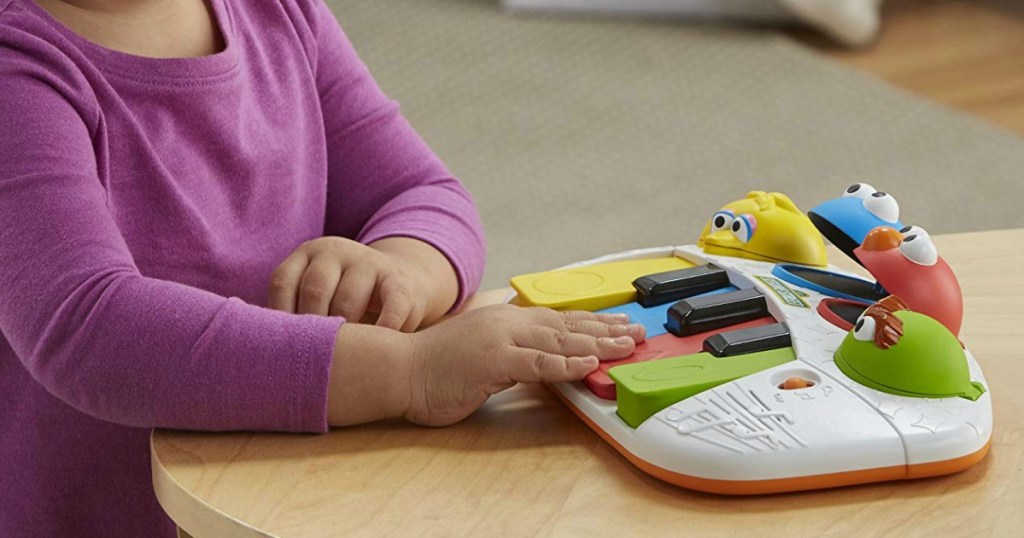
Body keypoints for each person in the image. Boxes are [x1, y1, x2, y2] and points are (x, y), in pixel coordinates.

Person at [0, 0, 647, 535]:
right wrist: (410, 373)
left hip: (289, 495)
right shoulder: (17, 66)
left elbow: (421, 192)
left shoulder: (279, 12)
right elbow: (85, 327)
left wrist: (399, 269)